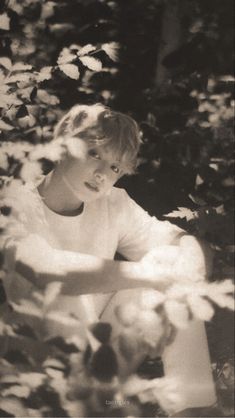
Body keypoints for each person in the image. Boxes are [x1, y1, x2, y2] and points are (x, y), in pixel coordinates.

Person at [1, 103, 216, 412]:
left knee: (175, 259)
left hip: (102, 363)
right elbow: (45, 269)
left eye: (115, 168)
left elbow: (182, 241)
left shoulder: (114, 203)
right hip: (39, 372)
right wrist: (149, 273)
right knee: (68, 287)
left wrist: (191, 264)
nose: (103, 174)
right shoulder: (13, 202)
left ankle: (195, 410)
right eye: (95, 154)